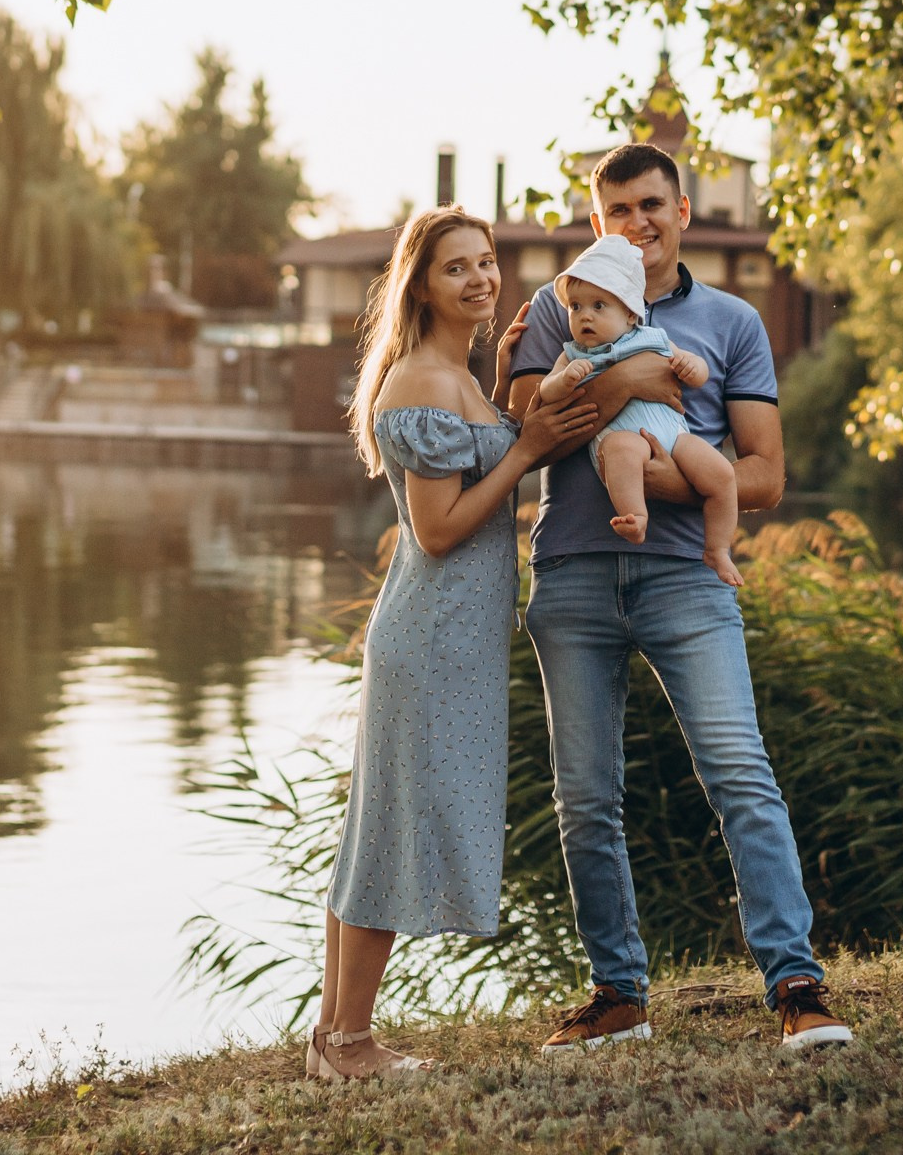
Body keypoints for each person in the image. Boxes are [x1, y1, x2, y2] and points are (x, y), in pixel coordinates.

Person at [507, 143, 852, 1054]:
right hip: (575, 575)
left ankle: (797, 985)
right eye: (617, 210)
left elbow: (766, 477)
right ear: (596, 221)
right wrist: (627, 380)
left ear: (683, 209)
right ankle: (618, 996)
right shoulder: (555, 305)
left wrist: (658, 480)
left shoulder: (732, 321)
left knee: (739, 771)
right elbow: (526, 439)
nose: (637, 224)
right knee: (585, 797)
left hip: (687, 578)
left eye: (652, 205)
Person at [309, 206, 599, 1082]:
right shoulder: (422, 383)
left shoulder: (460, 376)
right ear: (420, 285)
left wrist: (513, 385)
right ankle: (353, 1043)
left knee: (377, 831)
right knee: (393, 833)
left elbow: (488, 462)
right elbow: (436, 533)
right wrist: (529, 452)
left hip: (451, 641)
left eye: (486, 263)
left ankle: (333, 1041)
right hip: (431, 638)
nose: (479, 279)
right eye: (456, 268)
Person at [537, 233, 741, 586]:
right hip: (621, 436)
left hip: (675, 436)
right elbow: (545, 391)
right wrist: (566, 379)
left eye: (599, 306)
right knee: (622, 452)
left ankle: (718, 548)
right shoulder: (573, 354)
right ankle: (635, 517)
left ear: (631, 314)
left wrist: (693, 368)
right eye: (576, 307)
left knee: (722, 474)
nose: (584, 316)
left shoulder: (654, 338)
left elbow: (695, 368)